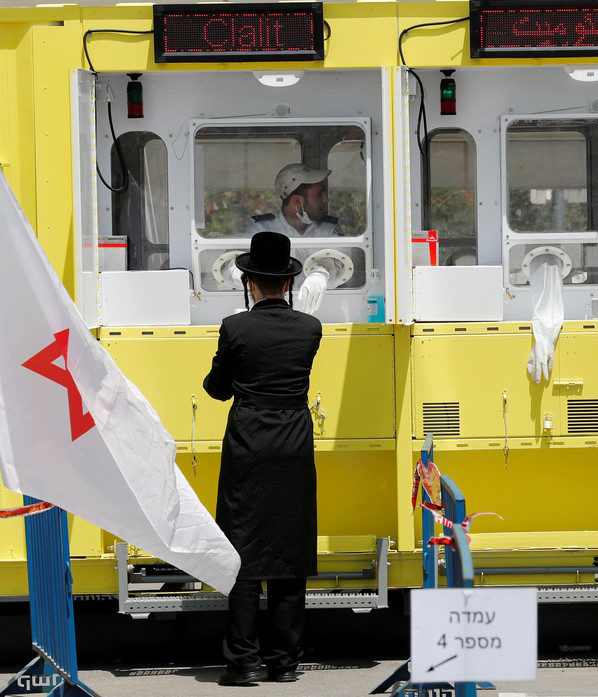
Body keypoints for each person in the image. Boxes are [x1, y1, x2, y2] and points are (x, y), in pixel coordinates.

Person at [203, 231, 323, 685]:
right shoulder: (309, 329)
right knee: (289, 549)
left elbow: (216, 388)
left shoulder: (236, 328)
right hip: (294, 441)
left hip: (248, 442)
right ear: (288, 284)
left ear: (249, 282)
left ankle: (243, 663)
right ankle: (285, 663)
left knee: (243, 550)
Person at [245, 163, 342, 238]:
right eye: (318, 195)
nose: (326, 199)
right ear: (297, 201)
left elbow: (343, 262)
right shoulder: (260, 229)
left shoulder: (329, 228)